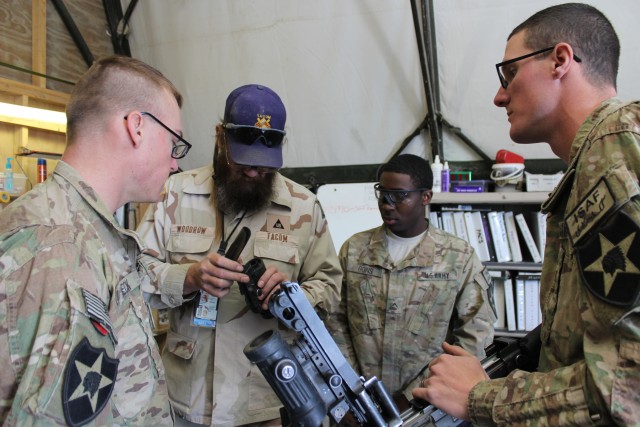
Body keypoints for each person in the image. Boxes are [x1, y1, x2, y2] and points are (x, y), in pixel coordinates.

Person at [413, 3, 640, 425]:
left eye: (510, 73)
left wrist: (483, 397)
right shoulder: (600, 158)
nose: (499, 95)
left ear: (560, 60)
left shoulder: (611, 152)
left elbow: (626, 390)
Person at [136, 83, 342, 426]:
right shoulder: (176, 193)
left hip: (266, 400)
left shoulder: (304, 207)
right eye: (243, 160)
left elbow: (331, 288)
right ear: (220, 137)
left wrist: (291, 297)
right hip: (183, 401)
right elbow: (132, 276)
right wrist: (187, 278)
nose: (252, 172)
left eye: (263, 165)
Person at [0, 55, 189, 425]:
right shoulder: (60, 248)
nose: (175, 163)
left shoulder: (83, 232)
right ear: (137, 127)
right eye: (174, 143)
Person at [326, 154, 496, 404]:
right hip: (358, 401)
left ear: (425, 197)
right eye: (382, 193)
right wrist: (352, 388)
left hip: (427, 404)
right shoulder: (355, 250)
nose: (387, 203)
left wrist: (417, 394)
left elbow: (474, 336)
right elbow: (334, 321)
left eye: (399, 195)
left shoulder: (457, 258)